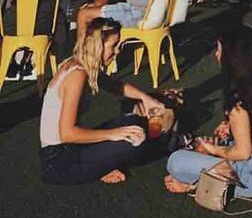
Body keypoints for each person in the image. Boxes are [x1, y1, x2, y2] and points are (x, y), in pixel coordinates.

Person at [40, 17, 168, 185]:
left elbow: (115, 86)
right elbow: (67, 134)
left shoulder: (80, 63)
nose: (117, 51)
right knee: (135, 141)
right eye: (113, 46)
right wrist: (113, 134)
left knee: (133, 123)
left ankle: (100, 163)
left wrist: (146, 98)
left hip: (69, 149)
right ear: (98, 46)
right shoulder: (77, 75)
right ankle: (174, 143)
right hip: (58, 162)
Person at [165, 25, 252, 197]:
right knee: (219, 143)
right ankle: (210, 170)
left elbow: (243, 153)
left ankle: (195, 184)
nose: (216, 54)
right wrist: (230, 126)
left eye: (218, 49)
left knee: (176, 162)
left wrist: (213, 150)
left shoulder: (238, 103)